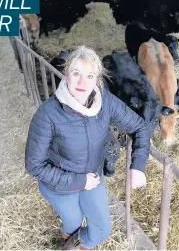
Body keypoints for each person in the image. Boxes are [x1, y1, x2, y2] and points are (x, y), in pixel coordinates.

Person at [25, 46, 151, 250]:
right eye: (76, 73)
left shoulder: (105, 101)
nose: (83, 82)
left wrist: (138, 166)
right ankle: (69, 243)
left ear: (97, 79)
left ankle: (76, 245)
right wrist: (79, 181)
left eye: (90, 76)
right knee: (74, 223)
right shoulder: (47, 113)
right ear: (66, 74)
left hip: (93, 177)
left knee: (101, 231)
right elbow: (34, 165)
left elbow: (140, 127)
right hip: (60, 186)